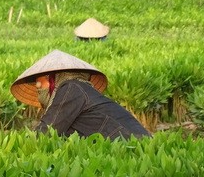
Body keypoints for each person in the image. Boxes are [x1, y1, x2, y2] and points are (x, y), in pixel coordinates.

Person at [10, 49, 151, 140]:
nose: (38, 89)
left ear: (51, 79)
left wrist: (19, 148)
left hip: (134, 145)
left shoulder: (71, 88)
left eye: (40, 84)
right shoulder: (76, 89)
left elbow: (48, 131)